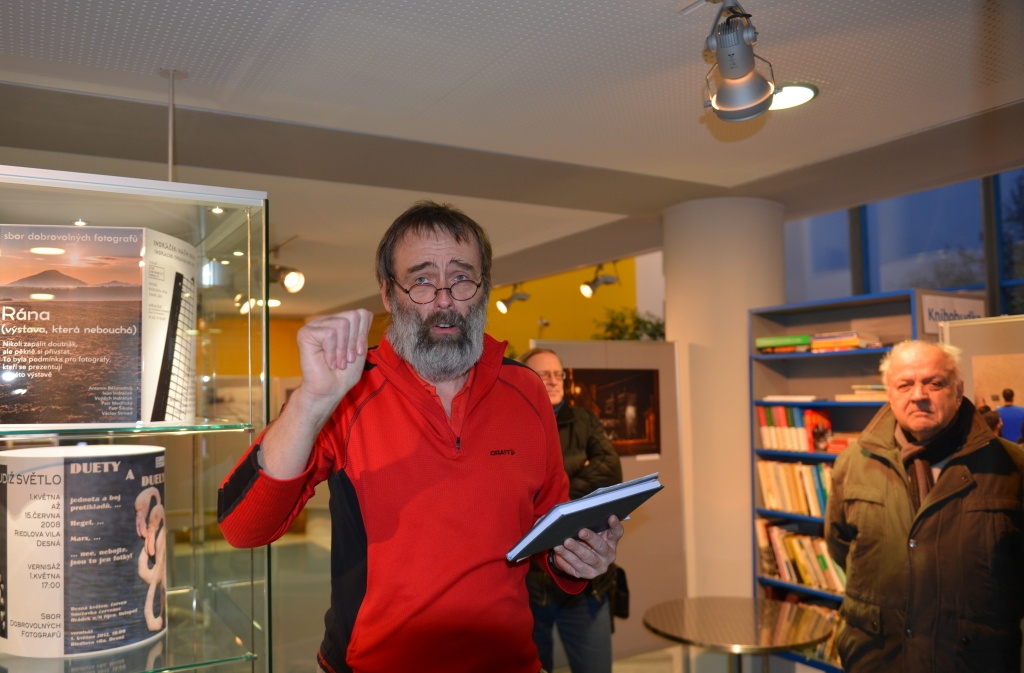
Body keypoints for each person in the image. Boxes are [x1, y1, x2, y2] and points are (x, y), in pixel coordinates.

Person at [217, 201, 623, 673]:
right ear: (389, 294)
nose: (444, 299)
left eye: (462, 278)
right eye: (423, 280)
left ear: (483, 290)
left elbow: (549, 527)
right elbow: (244, 528)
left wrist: (579, 558)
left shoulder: (526, 390)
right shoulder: (347, 390)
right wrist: (311, 401)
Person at [825, 340, 1024, 673]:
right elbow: (840, 544)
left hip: (972, 661)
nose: (918, 395)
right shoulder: (853, 463)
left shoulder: (1012, 466)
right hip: (878, 660)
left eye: (934, 383)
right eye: (905, 384)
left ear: (958, 390)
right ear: (890, 393)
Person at [519, 347, 623, 673]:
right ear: (525, 381)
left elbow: (610, 472)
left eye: (557, 374)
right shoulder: (512, 425)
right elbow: (513, 495)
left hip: (585, 579)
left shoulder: (584, 420)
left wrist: (552, 500)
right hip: (528, 585)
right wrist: (575, 493)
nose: (553, 381)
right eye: (543, 374)